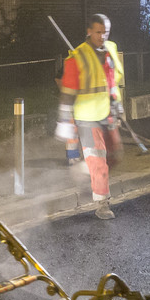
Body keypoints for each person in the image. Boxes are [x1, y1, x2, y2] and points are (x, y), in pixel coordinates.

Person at [55, 14, 126, 220]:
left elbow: (113, 82)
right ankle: (102, 203)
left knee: (116, 154)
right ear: (89, 31)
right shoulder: (77, 57)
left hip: (107, 112)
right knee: (98, 159)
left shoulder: (111, 50)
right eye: (98, 32)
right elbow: (67, 91)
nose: (102, 36)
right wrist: (64, 121)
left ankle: (87, 168)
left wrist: (118, 106)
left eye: (106, 32)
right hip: (86, 117)